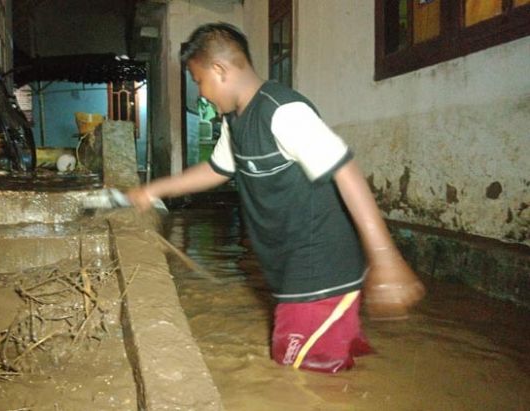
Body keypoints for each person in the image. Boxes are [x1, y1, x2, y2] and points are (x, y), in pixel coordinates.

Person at [126, 22, 425, 373]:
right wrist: (152, 190)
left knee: (296, 373)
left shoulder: (281, 111)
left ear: (219, 71)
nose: (201, 93)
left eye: (198, 80)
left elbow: (347, 172)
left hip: (320, 270)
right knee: (320, 370)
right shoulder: (236, 121)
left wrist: (386, 259)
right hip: (294, 270)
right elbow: (216, 170)